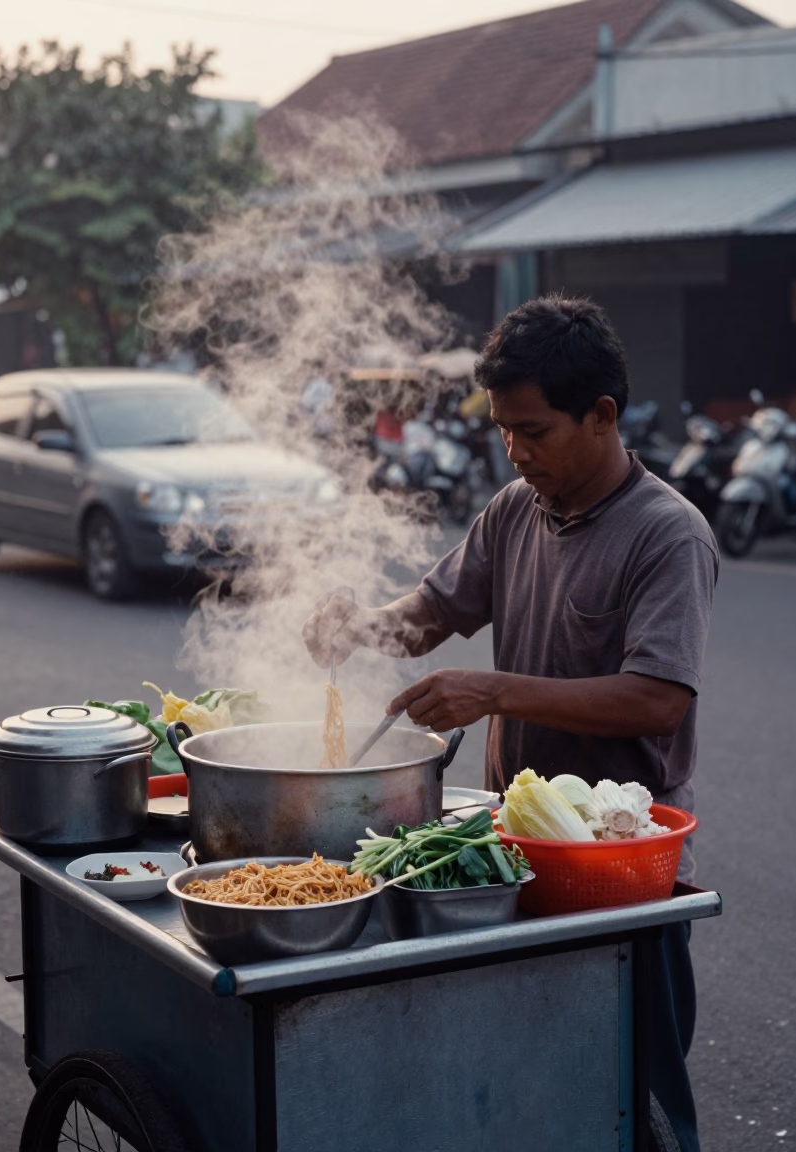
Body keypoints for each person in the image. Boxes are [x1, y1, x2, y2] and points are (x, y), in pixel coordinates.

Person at [303, 294, 718, 1152]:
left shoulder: (667, 535)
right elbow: (433, 610)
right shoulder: (514, 508)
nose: (517, 452)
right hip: (514, 854)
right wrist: (361, 624)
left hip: (619, 866)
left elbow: (655, 698)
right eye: (503, 431)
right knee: (522, 1078)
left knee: (634, 1093)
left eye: (534, 431)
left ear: (601, 415)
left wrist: (493, 691)